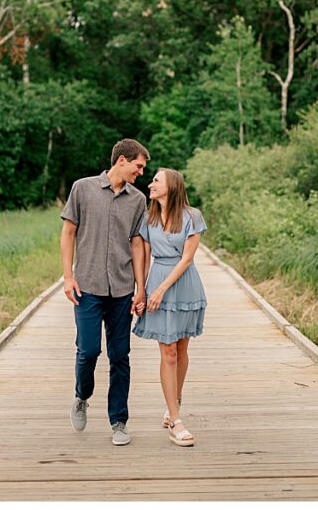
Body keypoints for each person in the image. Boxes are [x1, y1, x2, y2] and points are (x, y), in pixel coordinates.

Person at [62, 139, 150, 446]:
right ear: (122, 161)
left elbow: (138, 243)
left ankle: (119, 421)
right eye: (138, 166)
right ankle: (81, 396)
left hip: (122, 288)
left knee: (120, 356)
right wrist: (68, 276)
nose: (141, 173)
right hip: (86, 286)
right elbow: (68, 231)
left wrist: (141, 288)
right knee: (88, 351)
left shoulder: (138, 200)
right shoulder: (82, 189)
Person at [131, 167, 208, 447]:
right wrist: (142, 291)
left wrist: (162, 290)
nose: (150, 184)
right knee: (168, 351)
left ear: (171, 187)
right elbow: (145, 256)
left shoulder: (192, 216)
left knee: (182, 348)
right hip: (158, 282)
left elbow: (187, 259)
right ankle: (176, 421)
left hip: (184, 284)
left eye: (155, 181)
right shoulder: (148, 218)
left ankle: (173, 401)